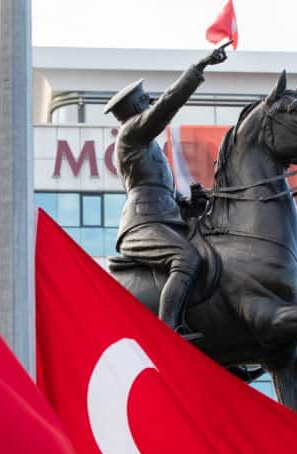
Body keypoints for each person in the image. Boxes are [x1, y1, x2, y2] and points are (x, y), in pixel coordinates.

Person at [105, 45, 228, 340]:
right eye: (144, 99)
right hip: (142, 225)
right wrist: (198, 68)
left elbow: (162, 195)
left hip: (162, 218)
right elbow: (167, 105)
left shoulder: (147, 146)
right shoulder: (131, 133)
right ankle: (168, 331)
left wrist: (189, 205)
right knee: (186, 259)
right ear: (136, 108)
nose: (149, 101)